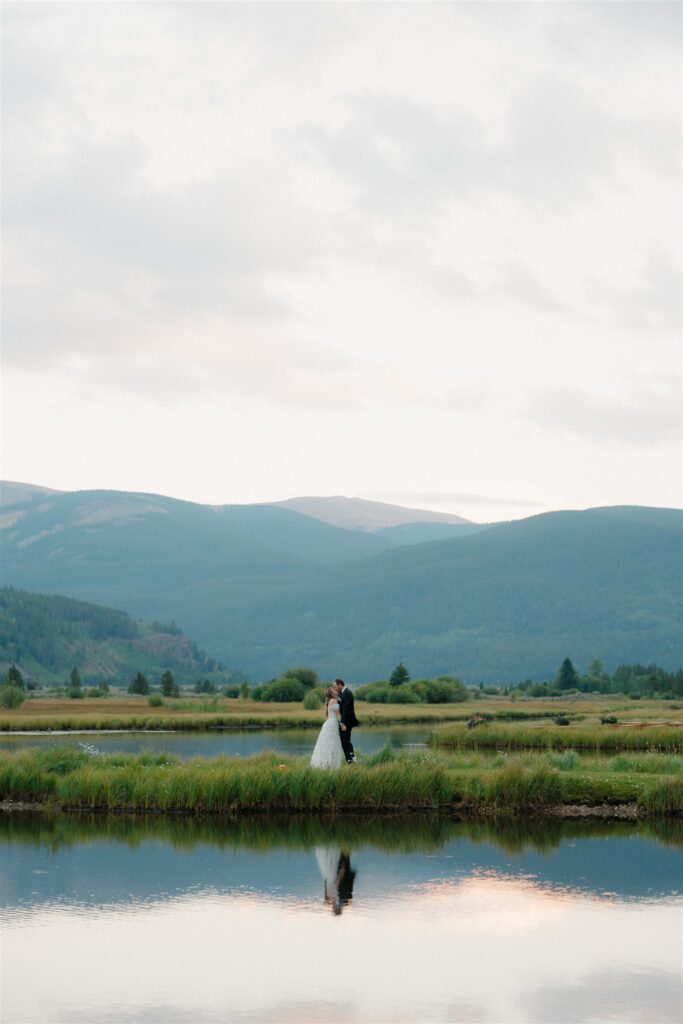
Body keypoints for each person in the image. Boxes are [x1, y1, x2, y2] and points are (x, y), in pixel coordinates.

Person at [310, 685, 345, 769]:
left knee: (328, 744)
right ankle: (329, 765)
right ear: (332, 693)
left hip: (330, 723)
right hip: (332, 725)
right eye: (333, 690)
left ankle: (327, 764)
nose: (335, 690)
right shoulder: (333, 700)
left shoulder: (331, 700)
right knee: (331, 744)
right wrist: (342, 724)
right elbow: (338, 714)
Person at [335, 678, 359, 764]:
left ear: (339, 684)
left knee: (346, 742)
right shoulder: (343, 694)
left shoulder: (347, 693)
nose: (335, 688)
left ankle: (351, 761)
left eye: (335, 686)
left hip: (347, 723)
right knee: (345, 742)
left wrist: (343, 723)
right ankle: (350, 760)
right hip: (345, 722)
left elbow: (346, 710)